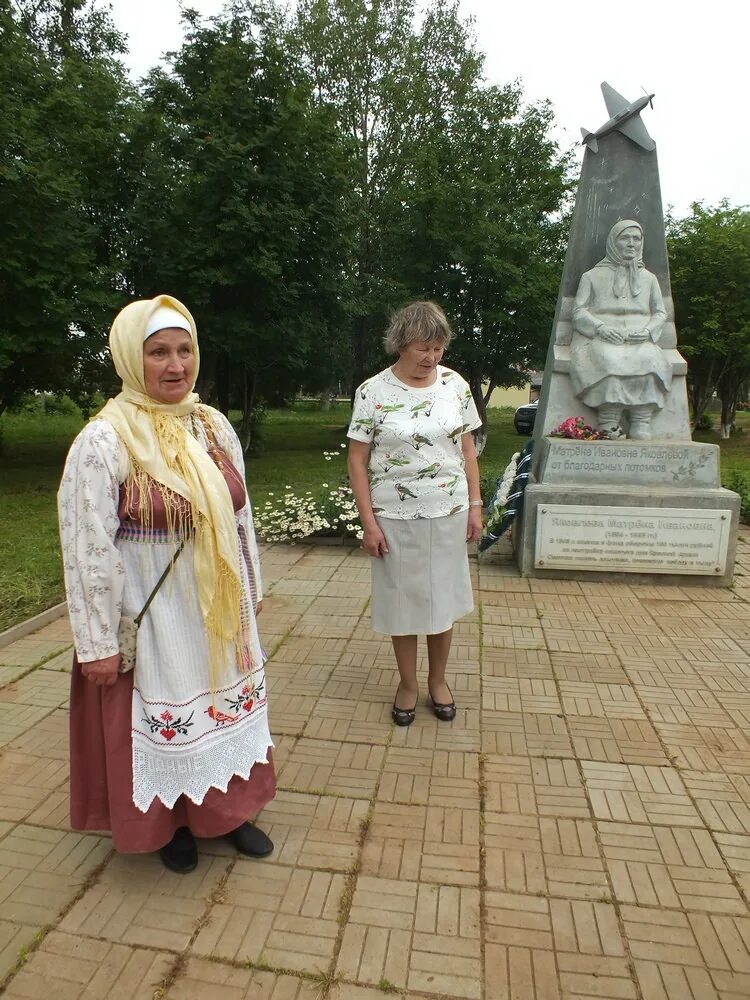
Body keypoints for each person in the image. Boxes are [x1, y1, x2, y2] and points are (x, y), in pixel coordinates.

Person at [57, 294, 275, 873]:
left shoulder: (211, 425)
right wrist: (98, 642)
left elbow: (239, 515)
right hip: (153, 611)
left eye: (184, 350)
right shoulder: (105, 440)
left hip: (217, 609)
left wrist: (250, 595)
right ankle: (171, 824)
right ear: (132, 358)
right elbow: (87, 547)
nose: (175, 365)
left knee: (223, 709)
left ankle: (227, 815)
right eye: (158, 352)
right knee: (165, 717)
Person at [347, 301, 483, 726]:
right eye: (424, 348)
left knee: (442, 603)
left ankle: (438, 681)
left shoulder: (455, 385)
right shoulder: (373, 391)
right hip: (394, 517)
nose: (432, 358)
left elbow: (467, 449)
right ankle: (407, 684)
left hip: (448, 512)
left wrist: (475, 506)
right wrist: (369, 523)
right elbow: (356, 460)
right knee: (403, 606)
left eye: (439, 349)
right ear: (401, 344)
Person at [571, 219, 671, 439]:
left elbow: (660, 313)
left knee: (650, 359)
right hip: (603, 337)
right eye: (625, 238)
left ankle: (641, 419)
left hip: (640, 338)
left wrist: (647, 331)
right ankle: (609, 420)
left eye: (637, 238)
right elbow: (579, 311)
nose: (631, 243)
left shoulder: (649, 279)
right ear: (613, 242)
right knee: (609, 359)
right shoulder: (591, 276)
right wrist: (600, 328)